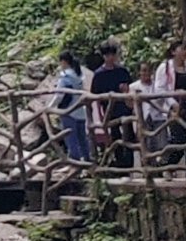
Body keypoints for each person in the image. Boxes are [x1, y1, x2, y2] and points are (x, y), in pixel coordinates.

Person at [89, 42, 137, 171]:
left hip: (124, 108)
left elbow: (129, 88)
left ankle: (130, 164)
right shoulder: (98, 74)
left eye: (112, 55)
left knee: (128, 135)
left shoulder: (122, 71)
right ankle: (120, 164)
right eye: (107, 55)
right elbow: (95, 96)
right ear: (103, 56)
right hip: (109, 111)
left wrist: (125, 92)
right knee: (115, 136)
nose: (110, 57)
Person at [52, 50, 91, 167]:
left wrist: (49, 107)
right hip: (80, 112)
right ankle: (87, 162)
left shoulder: (65, 77)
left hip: (69, 112)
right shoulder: (78, 76)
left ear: (63, 62)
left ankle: (75, 164)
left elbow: (59, 95)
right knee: (82, 139)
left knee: (71, 139)